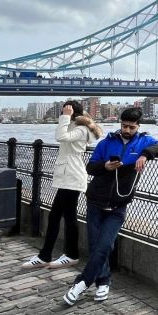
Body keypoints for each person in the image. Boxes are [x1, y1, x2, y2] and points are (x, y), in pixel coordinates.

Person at [62, 107, 158, 306]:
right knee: (96, 246)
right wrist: (105, 167)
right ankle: (103, 282)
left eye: (131, 127)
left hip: (118, 205)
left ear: (138, 126)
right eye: (124, 126)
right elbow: (90, 167)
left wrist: (146, 154)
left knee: (104, 245)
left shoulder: (144, 141)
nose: (127, 130)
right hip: (95, 200)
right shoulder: (106, 142)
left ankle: (81, 283)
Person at [21, 100, 102, 269]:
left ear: (72, 112)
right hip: (68, 175)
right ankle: (46, 255)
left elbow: (61, 137)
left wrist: (65, 117)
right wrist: (66, 118)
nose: (63, 112)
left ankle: (70, 255)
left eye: (66, 109)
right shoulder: (75, 126)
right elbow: (61, 135)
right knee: (56, 216)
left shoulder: (81, 129)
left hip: (72, 176)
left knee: (68, 216)